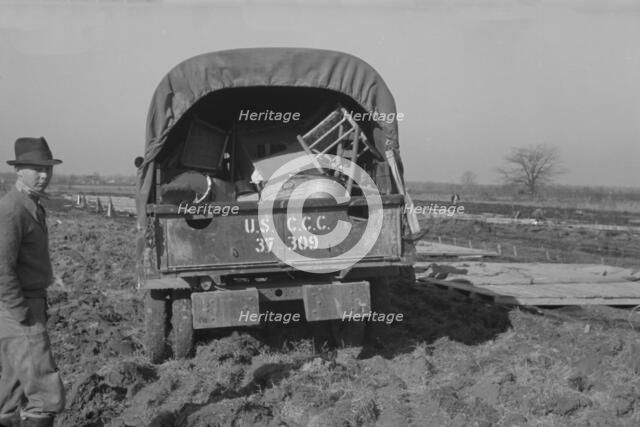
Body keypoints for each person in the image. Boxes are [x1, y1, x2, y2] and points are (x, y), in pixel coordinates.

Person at [0, 137, 65, 427]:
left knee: (12, 387)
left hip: (26, 303)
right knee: (43, 391)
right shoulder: (12, 209)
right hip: (19, 308)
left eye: (47, 169)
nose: (43, 175)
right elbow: (2, 267)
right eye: (36, 169)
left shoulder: (31, 205)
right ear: (18, 171)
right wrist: (20, 311)